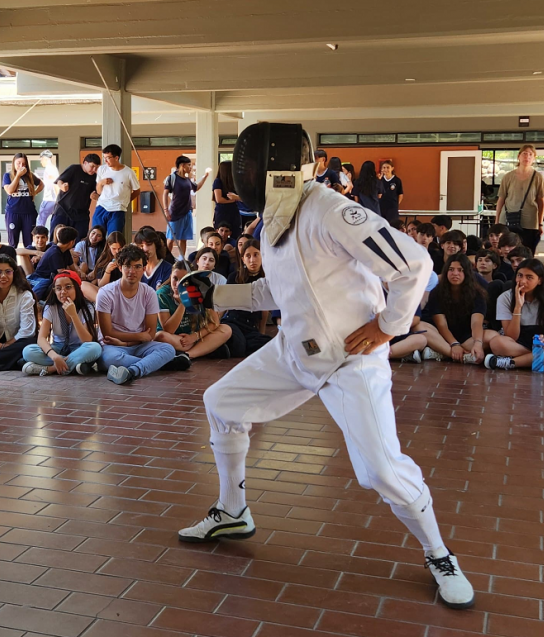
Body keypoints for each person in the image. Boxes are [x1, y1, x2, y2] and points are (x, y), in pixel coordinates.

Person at [186, 123, 474, 610]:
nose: (247, 175)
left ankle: (439, 553)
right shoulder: (272, 220)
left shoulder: (332, 210)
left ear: (281, 171)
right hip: (294, 351)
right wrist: (216, 293)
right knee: (221, 401)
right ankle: (233, 511)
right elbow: (278, 291)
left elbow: (416, 265)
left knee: (379, 470)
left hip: (350, 361)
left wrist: (388, 326)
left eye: (254, 167)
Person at [97, 245, 182, 384]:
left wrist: (127, 342)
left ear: (144, 268)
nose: (132, 271)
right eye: (127, 266)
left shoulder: (149, 293)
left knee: (168, 349)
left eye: (137, 267)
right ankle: (160, 364)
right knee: (110, 359)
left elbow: (150, 333)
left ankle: (132, 371)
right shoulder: (106, 293)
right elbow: (107, 333)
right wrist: (133, 338)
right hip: (113, 345)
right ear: (120, 267)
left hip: (140, 345)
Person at [483, 259, 544, 371]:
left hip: (543, 341)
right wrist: (518, 306)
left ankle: (513, 363)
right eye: (520, 276)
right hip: (518, 342)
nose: (522, 281)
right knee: (496, 343)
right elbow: (511, 336)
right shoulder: (505, 297)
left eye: (529, 277)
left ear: (540, 280)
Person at [22, 270, 103, 376]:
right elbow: (41, 338)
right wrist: (54, 356)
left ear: (77, 288)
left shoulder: (86, 308)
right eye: (58, 288)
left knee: (95, 348)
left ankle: (51, 369)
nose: (63, 292)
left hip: (79, 348)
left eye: (68, 287)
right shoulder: (51, 307)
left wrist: (74, 315)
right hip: (58, 348)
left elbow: (87, 340)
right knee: (28, 351)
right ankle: (73, 366)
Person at [156, 263, 233, 359]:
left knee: (226, 329)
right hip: (175, 339)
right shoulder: (161, 294)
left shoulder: (200, 290)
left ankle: (187, 355)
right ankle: (204, 349)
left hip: (193, 337)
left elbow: (215, 322)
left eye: (183, 281)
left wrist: (194, 337)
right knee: (161, 336)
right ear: (170, 276)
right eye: (175, 278)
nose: (178, 284)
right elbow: (168, 330)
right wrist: (183, 303)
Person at [425, 254, 486, 365]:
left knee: (493, 338)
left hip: (468, 336)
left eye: (460, 270)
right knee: (422, 328)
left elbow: (476, 322)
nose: (455, 274)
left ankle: (442, 353)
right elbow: (441, 324)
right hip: (443, 336)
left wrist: (477, 342)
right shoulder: (437, 292)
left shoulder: (477, 293)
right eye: (451, 270)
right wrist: (454, 344)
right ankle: (458, 355)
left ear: (467, 273)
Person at [222, 243, 274, 357]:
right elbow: (224, 304)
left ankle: (227, 348)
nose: (252, 260)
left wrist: (261, 332)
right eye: (248, 256)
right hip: (233, 322)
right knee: (238, 345)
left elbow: (264, 309)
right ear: (243, 259)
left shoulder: (267, 280)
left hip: (250, 327)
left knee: (268, 344)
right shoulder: (234, 277)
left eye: (256, 255)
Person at [494, 145, 544, 252]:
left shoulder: (537, 177)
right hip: (508, 219)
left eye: (530, 154)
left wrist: (540, 223)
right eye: (524, 153)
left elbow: (541, 202)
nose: (527, 157)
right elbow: (501, 200)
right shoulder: (508, 176)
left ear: (534, 158)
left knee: (527, 250)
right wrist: (497, 221)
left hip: (529, 221)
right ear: (519, 156)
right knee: (507, 250)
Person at [49, 153, 101, 240]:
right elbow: (59, 180)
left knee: (80, 240)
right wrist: (62, 186)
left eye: (96, 167)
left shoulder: (95, 177)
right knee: (56, 239)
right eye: (92, 166)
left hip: (81, 214)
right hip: (63, 210)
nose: (94, 170)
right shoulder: (74, 169)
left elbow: (97, 192)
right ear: (85, 163)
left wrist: (95, 196)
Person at [91, 144, 140, 236]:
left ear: (116, 158)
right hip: (102, 206)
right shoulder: (102, 169)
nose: (105, 160)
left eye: (108, 158)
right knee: (96, 236)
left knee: (114, 237)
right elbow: (98, 191)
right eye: (104, 157)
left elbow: (137, 190)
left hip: (118, 208)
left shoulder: (129, 172)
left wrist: (125, 201)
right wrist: (101, 182)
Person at [3, 152, 43, 249]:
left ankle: (29, 263)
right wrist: (18, 176)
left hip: (29, 212)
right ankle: (12, 263)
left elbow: (41, 184)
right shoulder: (8, 176)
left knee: (29, 242)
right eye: (18, 163)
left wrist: (34, 192)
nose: (21, 166)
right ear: (14, 163)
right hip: (13, 212)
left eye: (24, 164)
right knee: (13, 242)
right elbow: (9, 190)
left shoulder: (30, 176)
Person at [163, 155, 199, 260]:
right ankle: (166, 259)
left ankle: (182, 259)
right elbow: (165, 194)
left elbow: (196, 187)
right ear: (182, 166)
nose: (190, 167)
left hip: (187, 213)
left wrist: (206, 176)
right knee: (170, 239)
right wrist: (166, 210)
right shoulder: (172, 178)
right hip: (175, 213)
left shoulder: (187, 179)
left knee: (184, 239)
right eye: (189, 165)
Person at [28, 226, 79, 299]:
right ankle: (31, 300)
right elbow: (62, 273)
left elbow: (73, 269)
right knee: (48, 282)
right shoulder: (54, 252)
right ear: (72, 242)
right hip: (38, 278)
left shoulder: (66, 251)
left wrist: (78, 276)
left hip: (51, 279)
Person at [81, 231, 125, 303]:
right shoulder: (104, 260)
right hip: (107, 293)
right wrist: (107, 271)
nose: (117, 251)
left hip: (123, 292)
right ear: (108, 246)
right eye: (114, 248)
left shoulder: (128, 258)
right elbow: (101, 285)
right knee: (83, 285)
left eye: (120, 248)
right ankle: (105, 304)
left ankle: (106, 304)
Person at [212, 160, 244, 234]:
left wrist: (236, 198)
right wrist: (233, 200)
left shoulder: (234, 182)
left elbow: (244, 198)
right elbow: (219, 199)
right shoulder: (218, 181)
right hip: (222, 212)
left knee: (236, 233)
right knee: (221, 234)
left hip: (234, 211)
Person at [35, 150, 60, 229]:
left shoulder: (50, 169)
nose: (41, 161)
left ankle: (38, 237)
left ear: (45, 158)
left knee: (40, 221)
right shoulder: (52, 168)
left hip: (49, 199)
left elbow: (55, 183)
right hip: (52, 199)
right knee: (54, 220)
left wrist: (58, 198)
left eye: (41, 159)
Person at [378, 159, 403, 226]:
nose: (386, 169)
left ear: (392, 168)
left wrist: (396, 204)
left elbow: (400, 194)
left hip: (392, 208)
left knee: (393, 226)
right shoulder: (379, 180)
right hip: (381, 207)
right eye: (384, 167)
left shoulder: (397, 180)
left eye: (388, 167)